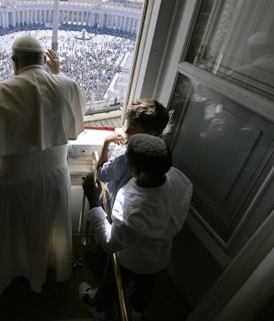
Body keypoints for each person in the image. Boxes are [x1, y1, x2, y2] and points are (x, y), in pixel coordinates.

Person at [0, 34, 86, 301]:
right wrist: (58, 75)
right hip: (55, 178)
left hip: (12, 182)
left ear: (14, 62)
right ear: (44, 60)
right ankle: (44, 274)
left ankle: (13, 275)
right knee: (47, 229)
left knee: (13, 235)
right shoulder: (69, 85)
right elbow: (72, 127)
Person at [79, 134, 192, 321]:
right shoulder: (179, 181)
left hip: (131, 256)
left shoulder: (135, 210)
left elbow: (111, 242)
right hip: (158, 255)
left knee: (112, 281)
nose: (123, 162)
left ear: (137, 171)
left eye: (126, 161)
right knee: (146, 283)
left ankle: (99, 306)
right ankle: (139, 310)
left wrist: (94, 202)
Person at [96, 99, 170, 211]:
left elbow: (101, 175)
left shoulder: (125, 156)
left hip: (114, 207)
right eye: (127, 125)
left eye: (133, 129)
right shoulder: (161, 154)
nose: (126, 132)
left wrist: (106, 142)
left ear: (151, 134)